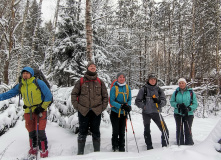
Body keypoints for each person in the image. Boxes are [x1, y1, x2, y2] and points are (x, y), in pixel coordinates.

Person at [0, 66, 52, 158]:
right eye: (23, 73)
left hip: (40, 110)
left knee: (40, 131)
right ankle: (33, 148)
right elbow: (10, 93)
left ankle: (44, 150)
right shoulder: (21, 85)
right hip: (28, 111)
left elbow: (48, 96)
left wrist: (42, 107)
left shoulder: (38, 83)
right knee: (31, 131)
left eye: (27, 73)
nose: (25, 75)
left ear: (31, 74)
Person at [71, 61, 108, 155]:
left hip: (96, 111)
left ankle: (97, 153)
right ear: (87, 68)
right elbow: (74, 94)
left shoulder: (100, 82)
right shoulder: (81, 81)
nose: (93, 67)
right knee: (82, 132)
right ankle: (80, 154)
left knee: (96, 132)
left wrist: (102, 108)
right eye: (91, 66)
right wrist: (78, 107)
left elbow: (105, 96)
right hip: (83, 111)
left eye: (94, 66)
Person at [135, 73, 169, 150]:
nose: (153, 81)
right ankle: (149, 147)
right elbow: (137, 101)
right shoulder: (143, 89)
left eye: (154, 79)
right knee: (147, 130)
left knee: (164, 129)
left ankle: (165, 146)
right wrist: (144, 106)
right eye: (151, 79)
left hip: (156, 112)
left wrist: (159, 101)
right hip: (146, 113)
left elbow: (164, 101)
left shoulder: (159, 90)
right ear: (148, 80)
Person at [170, 78, 198, 145]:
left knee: (187, 129)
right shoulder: (176, 92)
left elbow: (195, 104)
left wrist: (189, 108)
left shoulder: (191, 92)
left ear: (185, 84)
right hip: (178, 113)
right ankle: (180, 143)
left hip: (188, 114)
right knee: (179, 129)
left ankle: (189, 143)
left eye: (183, 83)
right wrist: (178, 105)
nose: (181, 84)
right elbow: (172, 102)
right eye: (180, 83)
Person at [109, 72, 132, 152]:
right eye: (120, 77)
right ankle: (115, 146)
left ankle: (122, 146)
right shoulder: (114, 88)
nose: (122, 78)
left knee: (122, 131)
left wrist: (128, 106)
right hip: (115, 113)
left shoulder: (127, 87)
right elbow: (111, 101)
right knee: (115, 131)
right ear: (117, 78)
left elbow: (129, 99)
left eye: (123, 77)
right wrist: (121, 106)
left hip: (124, 114)